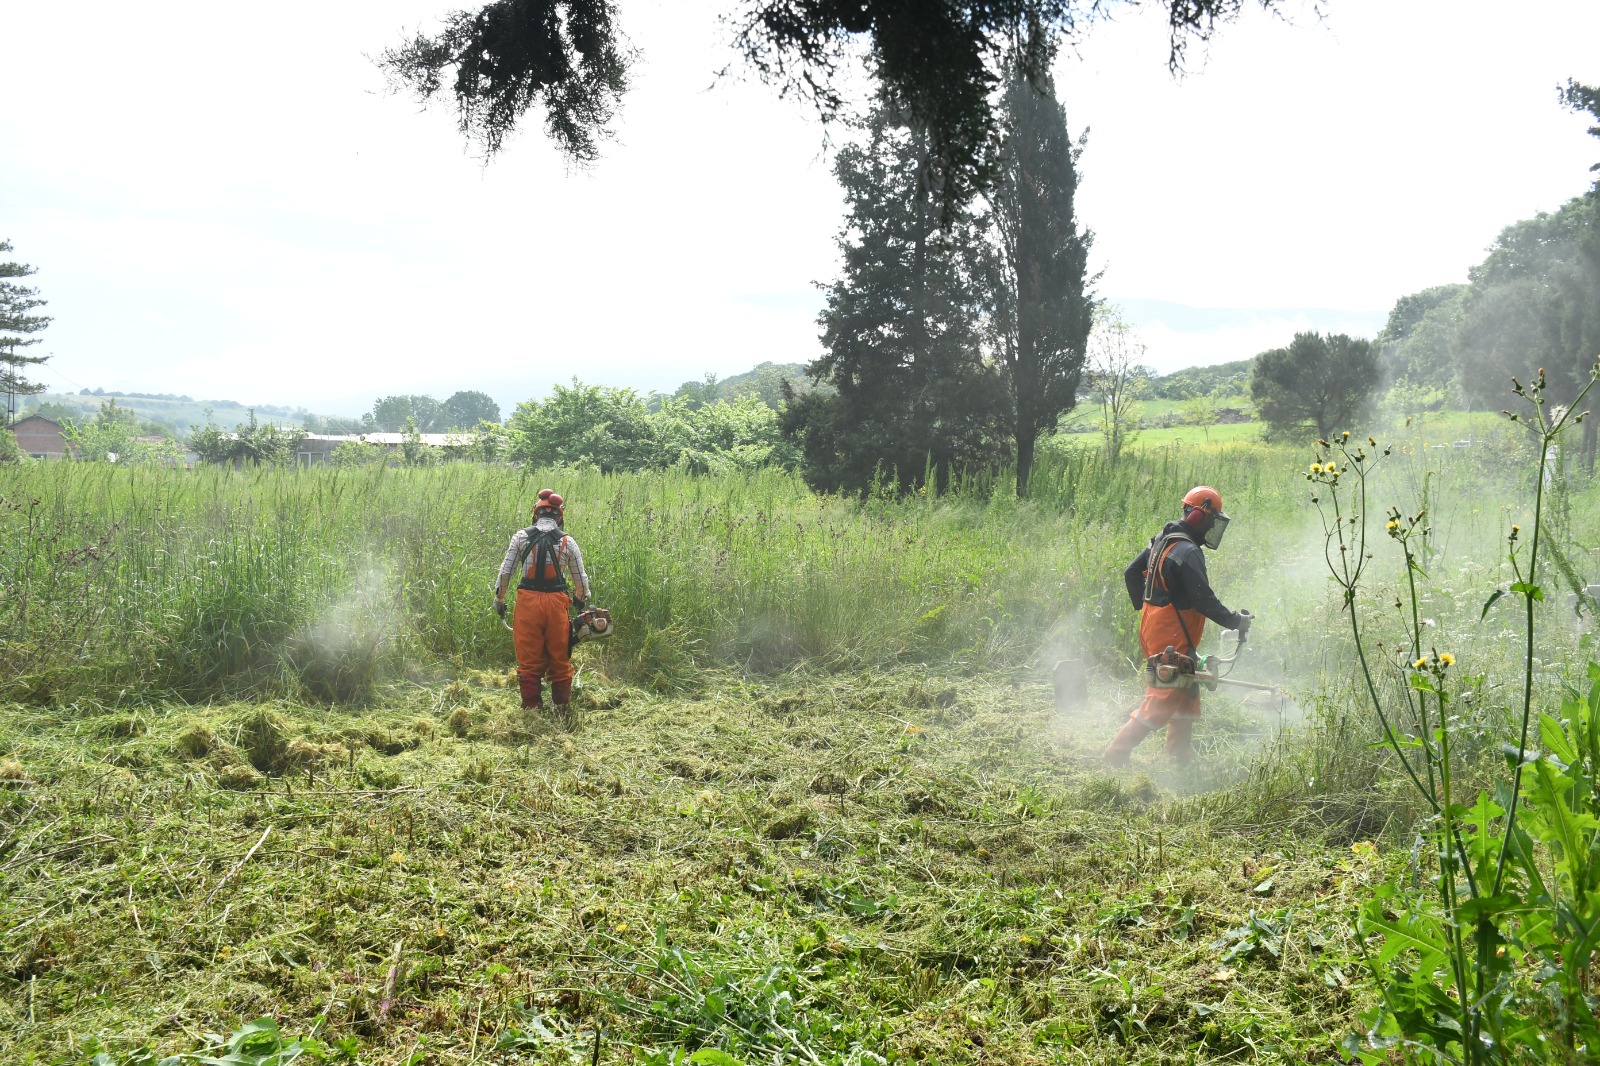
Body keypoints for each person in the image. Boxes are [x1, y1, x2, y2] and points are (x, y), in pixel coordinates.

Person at [1103, 485, 1250, 767]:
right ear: (1198, 515)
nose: (1211, 526)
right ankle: (1115, 755)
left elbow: (1131, 573)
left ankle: (1178, 758)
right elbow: (1204, 601)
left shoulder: (1163, 538)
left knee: (1186, 692)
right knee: (1163, 697)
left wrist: (1149, 603)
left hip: (1156, 628)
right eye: (1211, 518)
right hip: (1170, 635)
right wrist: (1235, 620)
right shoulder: (1188, 551)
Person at [494, 489, 592, 711]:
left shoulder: (520, 537)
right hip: (556, 604)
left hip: (527, 603)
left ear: (536, 515)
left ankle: (532, 709)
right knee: (559, 657)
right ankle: (562, 709)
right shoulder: (568, 542)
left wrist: (500, 599)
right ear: (560, 517)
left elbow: (505, 572)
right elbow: (580, 581)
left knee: (528, 660)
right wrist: (580, 600)